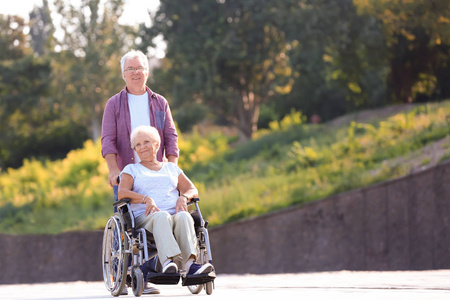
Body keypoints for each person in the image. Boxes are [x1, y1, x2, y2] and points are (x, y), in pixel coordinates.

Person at [101, 49, 179, 295]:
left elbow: (170, 136)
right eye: (130, 69)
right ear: (123, 74)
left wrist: (172, 165)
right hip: (128, 173)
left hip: (155, 172)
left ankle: (149, 272)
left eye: (140, 68)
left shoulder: (159, 102)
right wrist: (114, 169)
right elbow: (108, 140)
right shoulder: (114, 104)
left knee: (160, 217)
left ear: (147, 71)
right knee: (126, 224)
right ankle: (120, 277)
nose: (136, 72)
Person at [118, 125, 214, 278]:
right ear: (134, 150)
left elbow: (192, 189)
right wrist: (146, 199)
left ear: (157, 144)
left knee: (184, 216)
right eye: (138, 144)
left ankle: (190, 266)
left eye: (146, 142)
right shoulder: (131, 170)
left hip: (174, 215)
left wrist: (183, 197)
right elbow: (122, 192)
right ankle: (168, 263)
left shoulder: (171, 168)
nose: (142, 147)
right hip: (146, 219)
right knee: (162, 216)